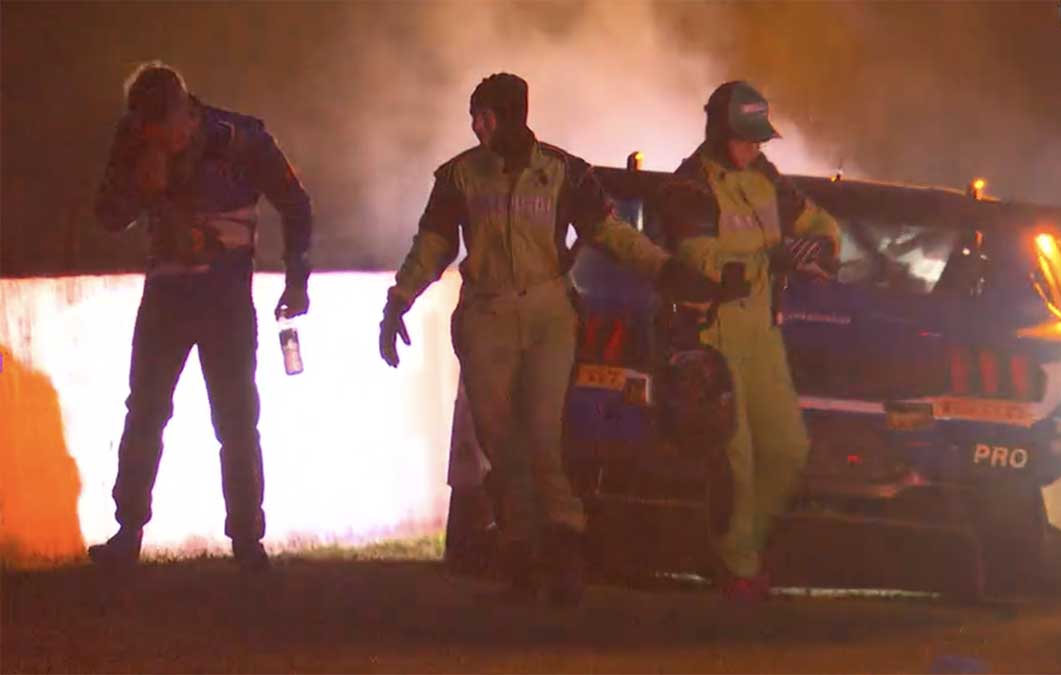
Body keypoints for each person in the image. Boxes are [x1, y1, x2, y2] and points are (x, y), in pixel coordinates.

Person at [379, 73, 719, 605]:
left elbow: (613, 234)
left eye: (484, 115)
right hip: (485, 314)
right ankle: (520, 549)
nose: (475, 125)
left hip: (547, 313)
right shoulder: (458, 177)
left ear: (513, 115)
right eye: (473, 115)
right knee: (497, 438)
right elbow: (434, 243)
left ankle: (561, 550)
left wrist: (667, 272)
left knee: (541, 435)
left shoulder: (565, 173)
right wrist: (398, 300)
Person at [87, 62, 313, 572]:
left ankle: (248, 542)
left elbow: (296, 203)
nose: (156, 141)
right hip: (166, 294)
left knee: (236, 418)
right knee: (145, 410)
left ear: (185, 115)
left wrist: (297, 278)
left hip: (225, 298)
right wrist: (138, 189)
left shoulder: (241, 139)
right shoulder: (134, 136)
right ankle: (127, 532)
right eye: (145, 132)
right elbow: (106, 213)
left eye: (161, 132)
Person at [657, 81, 840, 602]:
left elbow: (818, 220)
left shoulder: (765, 177)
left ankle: (739, 553)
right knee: (735, 461)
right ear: (719, 133)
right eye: (746, 138)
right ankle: (738, 566)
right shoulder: (688, 187)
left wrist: (824, 247)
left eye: (760, 139)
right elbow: (700, 259)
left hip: (763, 333)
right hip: (711, 335)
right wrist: (771, 260)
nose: (756, 148)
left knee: (788, 449)